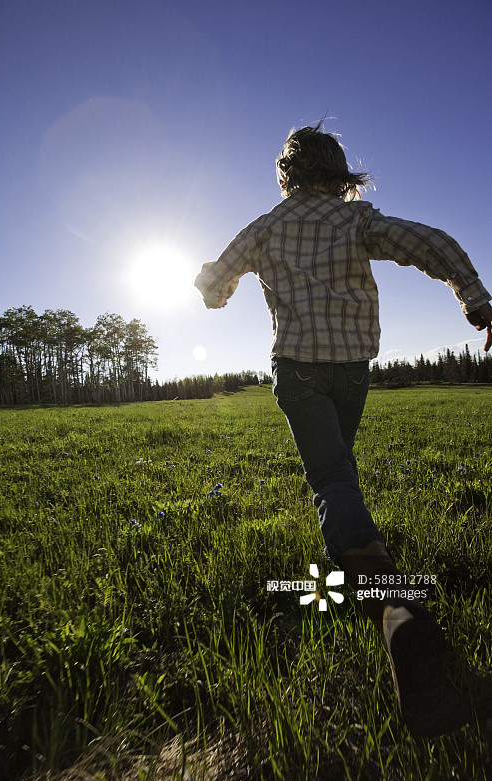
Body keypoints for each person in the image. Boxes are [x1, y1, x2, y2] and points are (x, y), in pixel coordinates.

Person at [194, 122, 492, 737]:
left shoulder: (265, 226)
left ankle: (393, 605)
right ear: (339, 174)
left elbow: (215, 280)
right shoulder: (357, 221)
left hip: (297, 370)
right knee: (341, 476)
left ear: (287, 175)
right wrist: (476, 299)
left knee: (332, 479)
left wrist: (214, 291)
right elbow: (430, 241)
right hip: (352, 372)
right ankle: (372, 577)